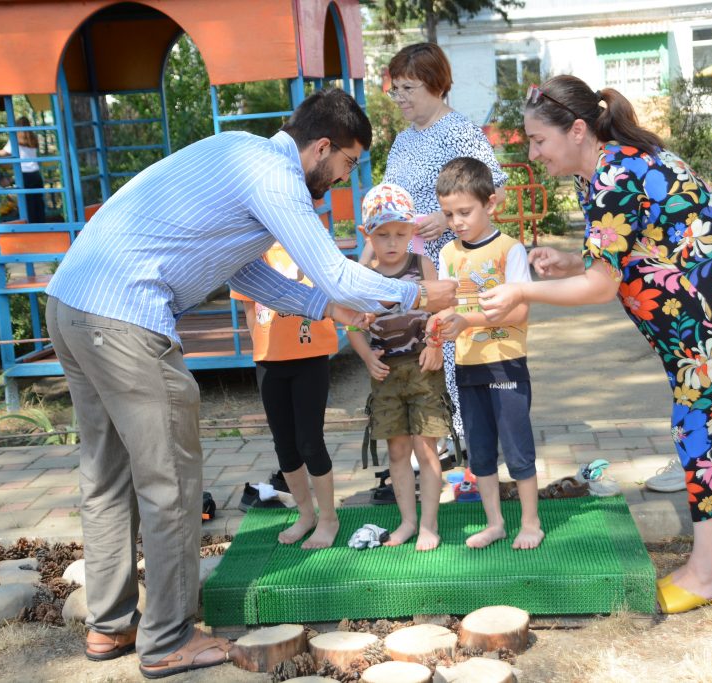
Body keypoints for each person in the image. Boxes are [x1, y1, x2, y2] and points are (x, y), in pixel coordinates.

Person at [44, 88, 456, 678]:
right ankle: (167, 640)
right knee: (171, 482)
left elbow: (245, 272)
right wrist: (414, 293)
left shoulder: (237, 153)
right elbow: (336, 271)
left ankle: (111, 625)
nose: (343, 178)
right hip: (125, 317)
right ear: (322, 147)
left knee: (107, 478)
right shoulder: (276, 177)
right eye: (346, 163)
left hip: (72, 305)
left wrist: (323, 307)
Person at [478, 76, 712, 610]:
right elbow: (628, 248)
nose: (532, 154)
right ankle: (706, 568)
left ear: (577, 130)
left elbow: (602, 287)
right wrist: (572, 262)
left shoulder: (613, 175)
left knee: (703, 427)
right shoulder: (601, 169)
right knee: (704, 422)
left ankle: (709, 575)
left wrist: (523, 290)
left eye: (538, 140)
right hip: (709, 300)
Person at [368, 42, 509, 445]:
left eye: (408, 88)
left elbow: (495, 190)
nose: (399, 97)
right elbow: (387, 205)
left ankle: (468, 439)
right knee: (417, 349)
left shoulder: (460, 131)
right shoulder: (402, 141)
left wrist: (444, 218)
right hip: (407, 268)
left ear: (435, 84)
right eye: (395, 89)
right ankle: (436, 440)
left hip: (451, 263)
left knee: (451, 343)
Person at [434, 157, 543, 551]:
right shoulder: (448, 254)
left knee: (517, 447)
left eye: (465, 212)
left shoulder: (509, 249)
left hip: (506, 364)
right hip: (467, 367)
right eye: (449, 214)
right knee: (479, 452)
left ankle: (530, 523)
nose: (457, 222)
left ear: (490, 203)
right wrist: (435, 329)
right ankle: (494, 523)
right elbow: (445, 307)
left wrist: (468, 321)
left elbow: (519, 310)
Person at [348, 183, 446, 551]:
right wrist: (366, 356)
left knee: (426, 448)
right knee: (398, 451)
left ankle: (429, 525)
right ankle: (408, 522)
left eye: (401, 234)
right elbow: (352, 327)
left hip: (422, 368)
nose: (392, 242)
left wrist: (435, 343)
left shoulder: (422, 265)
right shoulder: (362, 275)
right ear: (367, 234)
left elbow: (440, 311)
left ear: (412, 231)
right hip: (386, 374)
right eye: (382, 234)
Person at [231, 241, 341, 549]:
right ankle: (306, 515)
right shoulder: (250, 252)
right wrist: (265, 349)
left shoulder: (310, 244)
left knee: (310, 441)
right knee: (285, 444)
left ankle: (329, 518)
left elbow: (336, 288)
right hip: (269, 360)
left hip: (310, 358)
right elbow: (250, 311)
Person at [0, 116, 46, 222]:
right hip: (36, 174)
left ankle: (31, 226)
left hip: (24, 174)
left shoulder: (15, 140)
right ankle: (41, 223)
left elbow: (3, 153)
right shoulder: (33, 139)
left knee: (28, 203)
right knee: (38, 201)